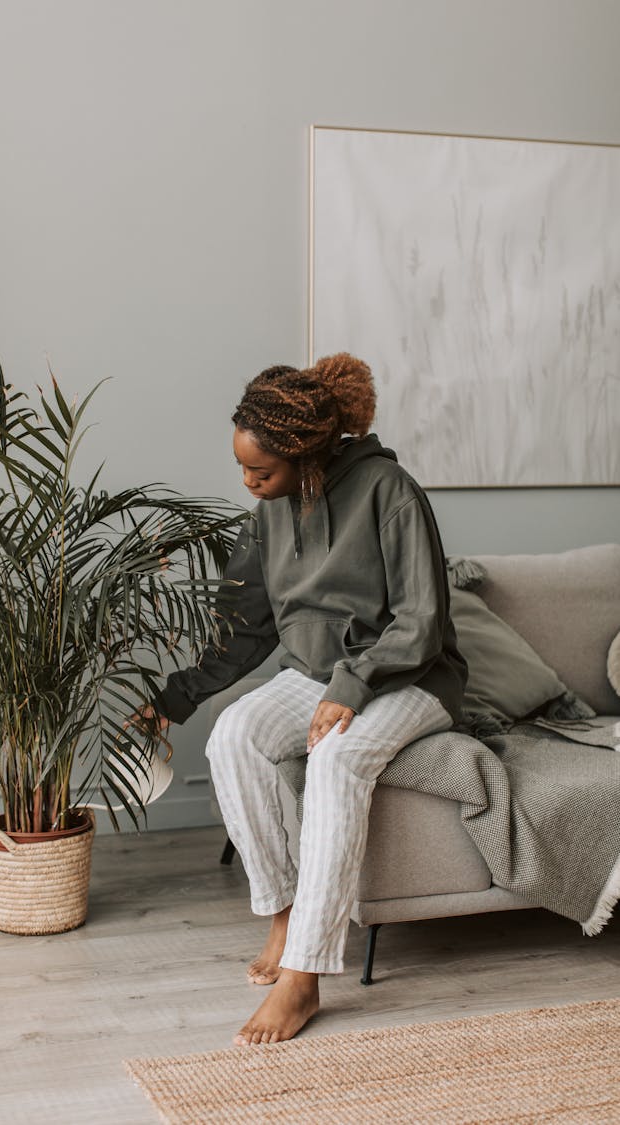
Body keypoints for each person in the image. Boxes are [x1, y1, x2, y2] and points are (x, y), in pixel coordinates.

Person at [137, 353, 466, 1046]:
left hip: (412, 679)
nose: (249, 483)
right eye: (244, 469)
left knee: (336, 759)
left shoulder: (389, 490)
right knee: (235, 734)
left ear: (307, 455)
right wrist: (176, 698)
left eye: (261, 471)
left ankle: (306, 974)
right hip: (318, 674)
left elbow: (423, 622)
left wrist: (350, 686)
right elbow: (245, 630)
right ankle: (283, 910)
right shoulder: (268, 515)